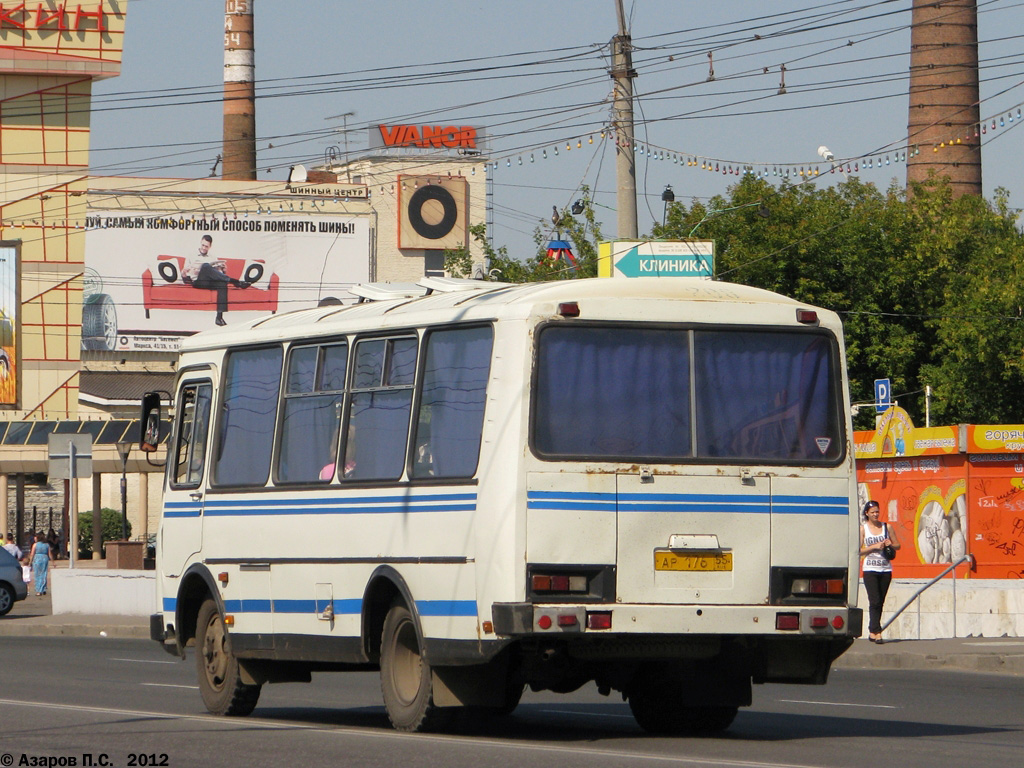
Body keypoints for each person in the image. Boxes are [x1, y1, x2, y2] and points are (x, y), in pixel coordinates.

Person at [183, 234, 249, 326]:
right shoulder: (191, 255)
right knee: (205, 266)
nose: (204, 248)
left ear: (210, 246)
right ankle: (235, 282)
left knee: (222, 283)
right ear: (200, 243)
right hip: (198, 281)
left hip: (209, 281)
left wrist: (223, 270)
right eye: (202, 245)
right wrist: (185, 272)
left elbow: (217, 274)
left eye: (206, 246)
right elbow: (184, 276)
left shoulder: (212, 257)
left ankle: (219, 318)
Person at [860, 500, 900, 643]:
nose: (876, 514)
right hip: (870, 569)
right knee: (874, 600)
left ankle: (873, 629)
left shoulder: (886, 527)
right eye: (872, 512)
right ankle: (876, 631)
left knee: (880, 601)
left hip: (885, 569)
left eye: (877, 512)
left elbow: (898, 545)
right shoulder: (863, 529)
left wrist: (890, 544)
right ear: (867, 514)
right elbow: (859, 551)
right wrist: (874, 547)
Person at [29, 531, 52, 597]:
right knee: (44, 573)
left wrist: (30, 562)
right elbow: (49, 554)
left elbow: (32, 554)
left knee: (37, 574)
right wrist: (53, 562)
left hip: (37, 558)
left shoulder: (35, 545)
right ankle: (43, 588)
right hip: (44, 558)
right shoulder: (46, 545)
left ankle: (38, 590)